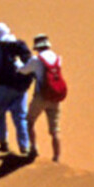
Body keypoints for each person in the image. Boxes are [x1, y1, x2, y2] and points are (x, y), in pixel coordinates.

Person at [0, 22, 34, 156]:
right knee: (20, 118)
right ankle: (24, 147)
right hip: (21, 88)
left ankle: (3, 144)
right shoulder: (19, 45)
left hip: (4, 88)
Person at [23, 33, 67, 162]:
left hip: (41, 96)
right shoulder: (58, 58)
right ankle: (57, 157)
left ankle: (33, 149)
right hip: (55, 97)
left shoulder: (36, 60)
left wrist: (18, 64)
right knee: (55, 130)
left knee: (29, 121)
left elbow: (24, 70)